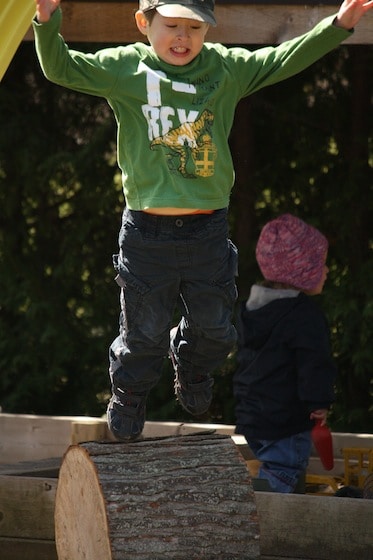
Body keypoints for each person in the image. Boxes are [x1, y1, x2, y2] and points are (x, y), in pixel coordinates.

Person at [32, 0, 372, 441]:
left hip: (207, 230)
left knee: (217, 330)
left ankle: (191, 365)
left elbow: (283, 59)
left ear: (208, 30)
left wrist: (338, 26)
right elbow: (61, 68)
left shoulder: (224, 69)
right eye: (171, 25)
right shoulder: (125, 68)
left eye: (194, 28)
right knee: (144, 334)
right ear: (144, 23)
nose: (182, 37)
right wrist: (45, 19)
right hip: (145, 235)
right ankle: (130, 394)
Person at [233, 214, 337, 493]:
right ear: (302, 272)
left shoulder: (252, 311)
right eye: (320, 264)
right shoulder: (304, 316)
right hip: (285, 421)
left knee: (277, 468)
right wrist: (318, 402)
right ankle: (255, 507)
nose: (327, 270)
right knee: (284, 473)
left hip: (253, 419)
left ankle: (263, 499)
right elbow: (313, 363)